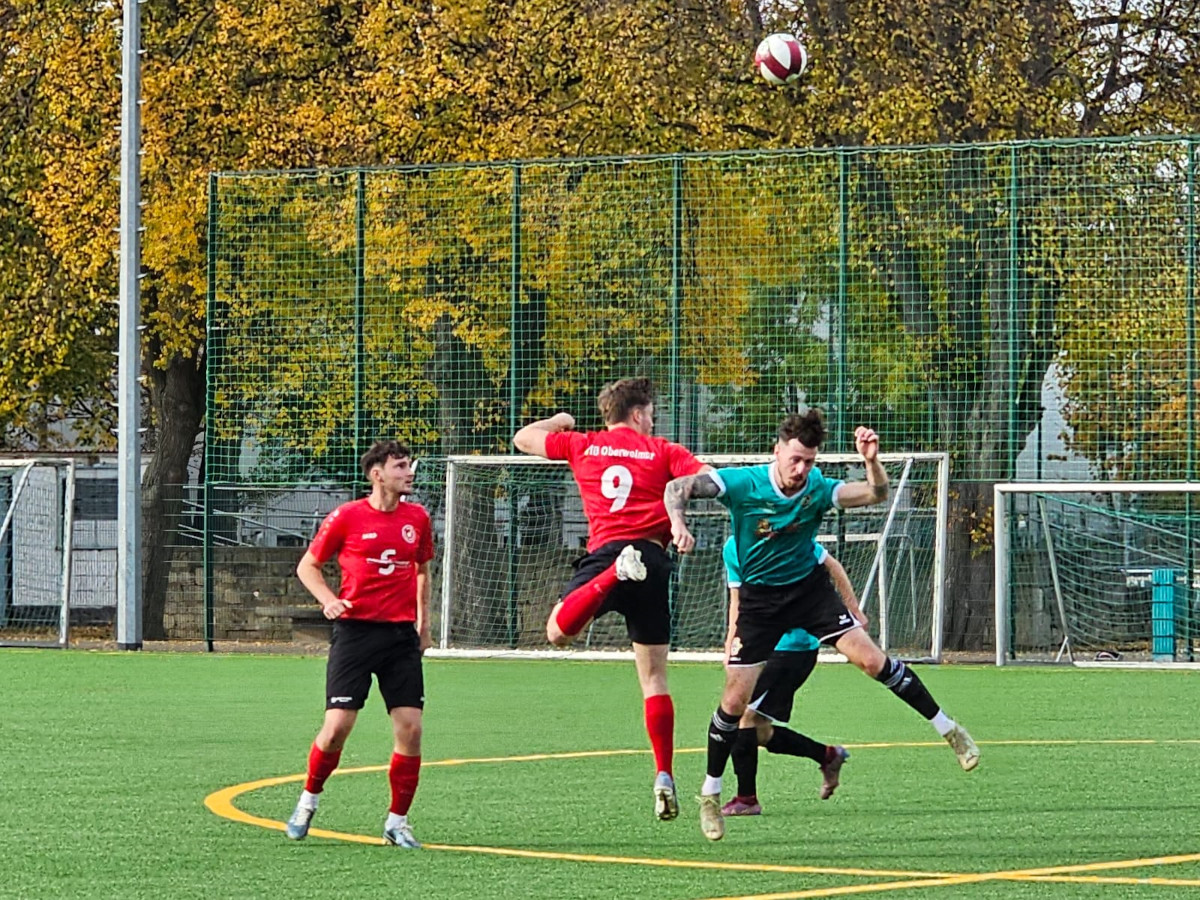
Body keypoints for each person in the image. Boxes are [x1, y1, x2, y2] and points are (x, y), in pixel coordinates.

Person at [664, 411, 979, 842]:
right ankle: (710, 796)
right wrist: (678, 523)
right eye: (795, 460)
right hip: (760, 603)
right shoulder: (742, 484)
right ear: (777, 450)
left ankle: (949, 729)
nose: (801, 470)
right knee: (735, 702)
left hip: (809, 593)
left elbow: (875, 494)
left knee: (872, 661)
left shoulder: (818, 489)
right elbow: (676, 487)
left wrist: (871, 461)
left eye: (809, 462)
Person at [513, 377, 710, 822]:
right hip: (653, 558)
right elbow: (705, 477)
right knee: (655, 678)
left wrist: (560, 419)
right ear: (638, 414)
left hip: (606, 555)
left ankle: (611, 576)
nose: (653, 419)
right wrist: (676, 514)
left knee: (557, 631)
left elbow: (523, 437)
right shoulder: (661, 450)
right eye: (652, 412)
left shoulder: (584, 444)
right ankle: (663, 774)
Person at [285, 441, 434, 849]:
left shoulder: (418, 518)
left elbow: (422, 572)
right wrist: (329, 600)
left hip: (400, 636)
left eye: (408, 465)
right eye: (400, 466)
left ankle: (397, 822)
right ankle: (307, 801)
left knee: (411, 729)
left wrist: (424, 625)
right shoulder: (346, 516)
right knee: (337, 729)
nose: (409, 473)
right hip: (355, 633)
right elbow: (307, 566)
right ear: (377, 474)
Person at [721, 535, 855, 816]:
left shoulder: (785, 538)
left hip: (792, 647)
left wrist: (853, 611)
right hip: (760, 645)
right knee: (758, 730)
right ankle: (827, 756)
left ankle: (747, 799)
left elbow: (833, 565)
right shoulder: (733, 546)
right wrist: (732, 641)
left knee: (742, 717)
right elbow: (738, 599)